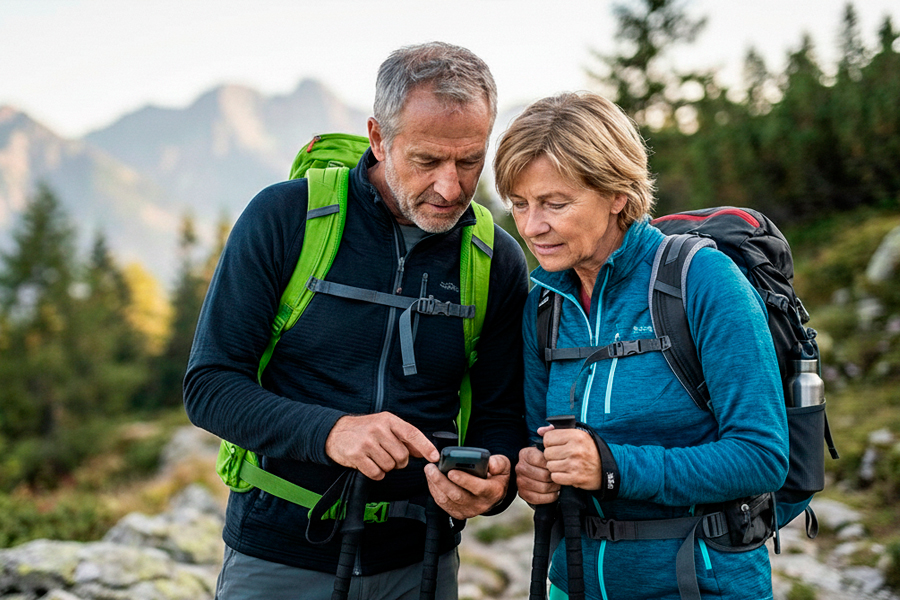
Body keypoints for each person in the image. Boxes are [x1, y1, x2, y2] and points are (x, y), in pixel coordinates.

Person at [184, 42, 529, 600]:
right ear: (378, 137)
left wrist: (495, 483)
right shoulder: (285, 218)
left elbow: (499, 417)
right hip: (277, 555)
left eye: (470, 161)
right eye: (426, 161)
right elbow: (210, 386)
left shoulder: (495, 259)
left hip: (420, 565)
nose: (450, 187)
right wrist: (333, 433)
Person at [493, 91, 789, 600]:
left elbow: (761, 456)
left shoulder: (702, 281)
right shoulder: (543, 304)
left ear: (617, 194)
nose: (531, 227)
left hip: (699, 584)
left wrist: (612, 468)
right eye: (519, 205)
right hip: (574, 583)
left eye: (555, 204)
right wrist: (533, 473)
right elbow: (539, 445)